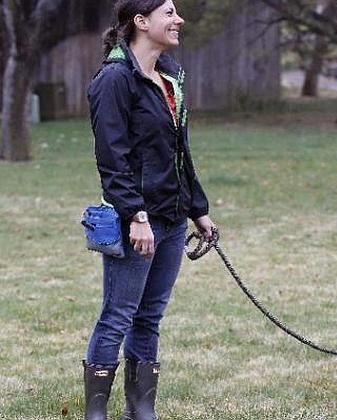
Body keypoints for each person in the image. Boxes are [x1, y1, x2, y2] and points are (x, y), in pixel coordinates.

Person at [83, 1, 216, 419]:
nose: (179, 20)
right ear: (141, 22)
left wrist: (198, 209)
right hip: (135, 220)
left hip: (173, 219)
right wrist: (136, 217)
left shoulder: (170, 76)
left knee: (150, 316)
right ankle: (96, 413)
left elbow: (179, 151)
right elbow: (112, 159)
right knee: (118, 314)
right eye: (169, 12)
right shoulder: (114, 80)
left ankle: (141, 410)